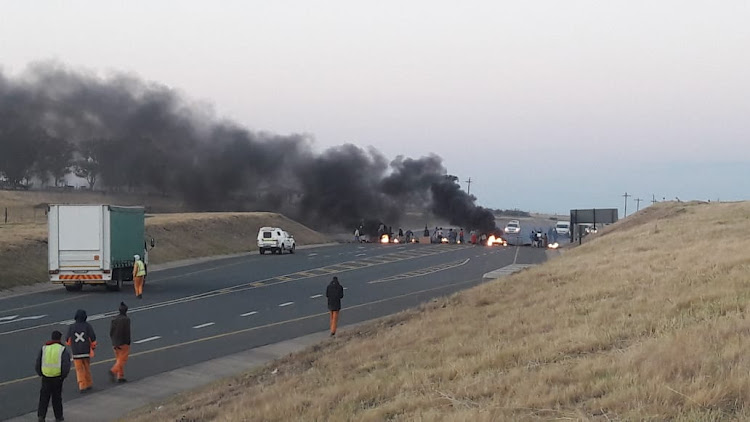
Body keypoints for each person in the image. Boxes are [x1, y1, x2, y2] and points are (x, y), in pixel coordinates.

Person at [36, 330, 71, 422]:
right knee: (56, 399)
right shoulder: (62, 349)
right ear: (59, 338)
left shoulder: (44, 348)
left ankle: (41, 416)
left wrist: (41, 373)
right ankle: (59, 417)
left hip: (46, 377)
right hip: (57, 378)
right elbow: (66, 365)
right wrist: (62, 376)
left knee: (43, 398)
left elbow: (38, 362)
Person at [66, 309, 97, 393]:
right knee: (87, 368)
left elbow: (68, 340)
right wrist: (93, 347)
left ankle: (82, 385)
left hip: (76, 353)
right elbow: (93, 338)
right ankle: (89, 383)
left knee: (79, 369)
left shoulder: (71, 327)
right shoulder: (87, 326)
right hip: (86, 351)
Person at [109, 302, 131, 383]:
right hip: (123, 342)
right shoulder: (126, 320)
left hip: (115, 342)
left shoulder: (114, 319)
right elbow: (127, 332)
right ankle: (113, 371)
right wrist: (128, 342)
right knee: (122, 360)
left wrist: (113, 340)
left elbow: (111, 331)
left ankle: (120, 376)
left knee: (118, 359)